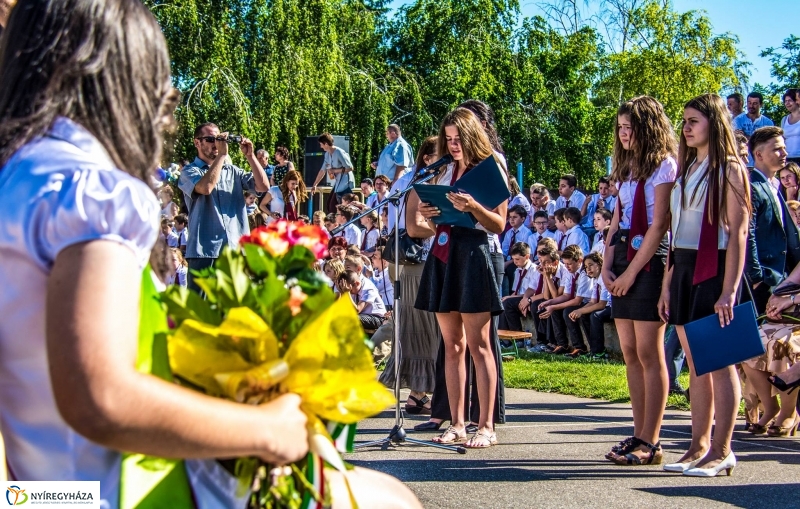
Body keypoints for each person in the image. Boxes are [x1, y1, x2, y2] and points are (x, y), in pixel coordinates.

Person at [658, 93, 750, 477]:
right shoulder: (688, 167)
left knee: (719, 362)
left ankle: (723, 449)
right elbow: (675, 229)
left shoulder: (729, 168)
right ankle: (698, 445)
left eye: (694, 120)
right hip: (683, 266)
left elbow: (740, 231)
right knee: (696, 366)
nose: (686, 127)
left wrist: (729, 290)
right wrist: (666, 284)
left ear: (714, 122)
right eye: (684, 120)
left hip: (715, 267)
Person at [412, 108, 509, 448]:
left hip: (474, 252)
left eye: (458, 139)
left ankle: (486, 426)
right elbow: (441, 222)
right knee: (452, 346)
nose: (453, 145)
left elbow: (499, 224)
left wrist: (473, 208)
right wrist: (431, 215)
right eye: (448, 139)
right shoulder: (443, 169)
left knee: (479, 345)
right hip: (444, 252)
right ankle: (457, 423)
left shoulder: (490, 166)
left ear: (471, 135)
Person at [603, 96, 676, 466]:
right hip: (623, 254)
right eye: (619, 127)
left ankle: (653, 437)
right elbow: (617, 221)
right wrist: (607, 266)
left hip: (649, 260)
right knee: (629, 352)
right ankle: (638, 432)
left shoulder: (664, 165)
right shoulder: (626, 168)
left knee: (650, 352)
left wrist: (632, 272)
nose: (624, 133)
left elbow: (660, 223)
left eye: (630, 126)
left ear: (648, 127)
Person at [381, 135, 439, 417]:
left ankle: (419, 394)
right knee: (423, 330)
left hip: (418, 263)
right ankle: (420, 392)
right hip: (421, 262)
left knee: (421, 331)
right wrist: (446, 227)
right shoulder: (421, 184)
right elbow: (414, 228)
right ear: (427, 158)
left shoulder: (410, 183)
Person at [178, 122, 270, 291]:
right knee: (203, 313)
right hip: (204, 252)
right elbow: (205, 187)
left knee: (235, 312)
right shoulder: (189, 171)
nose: (216, 143)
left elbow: (263, 187)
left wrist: (250, 156)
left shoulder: (233, 170)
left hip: (235, 251)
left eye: (219, 139)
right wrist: (221, 156)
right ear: (197, 143)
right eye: (210, 139)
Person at [745, 126, 800, 314]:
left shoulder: (775, 185)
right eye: (777, 149)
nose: (784, 152)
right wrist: (756, 276)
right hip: (764, 280)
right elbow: (747, 232)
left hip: (782, 277)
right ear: (758, 155)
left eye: (784, 148)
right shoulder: (752, 186)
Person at [539, 245, 588, 356]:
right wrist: (550, 302)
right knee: (555, 309)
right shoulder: (570, 272)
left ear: (579, 261)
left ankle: (580, 347)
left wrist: (554, 306)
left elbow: (577, 301)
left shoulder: (584, 274)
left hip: (587, 303)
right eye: (565, 263)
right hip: (576, 301)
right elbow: (566, 295)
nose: (567, 266)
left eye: (569, 264)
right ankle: (562, 344)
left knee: (567, 312)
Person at [567, 251, 612, 359]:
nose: (588, 269)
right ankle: (593, 349)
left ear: (600, 264)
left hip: (612, 307)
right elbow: (592, 302)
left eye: (591, 265)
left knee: (595, 315)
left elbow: (601, 304)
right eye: (586, 267)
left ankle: (599, 352)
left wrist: (580, 310)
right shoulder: (596, 280)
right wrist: (578, 311)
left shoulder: (603, 278)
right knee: (583, 315)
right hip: (604, 306)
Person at [312, 133, 354, 213]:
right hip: (338, 183)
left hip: (345, 184)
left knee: (336, 206)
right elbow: (322, 170)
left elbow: (350, 168)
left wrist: (334, 171)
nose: (321, 146)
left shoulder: (339, 152)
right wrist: (315, 184)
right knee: (329, 204)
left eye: (321, 144)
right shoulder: (327, 154)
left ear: (326, 144)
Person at [781, 89, 800, 163]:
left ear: (796, 101)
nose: (787, 103)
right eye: (785, 101)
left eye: (790, 100)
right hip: (787, 158)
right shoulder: (784, 119)